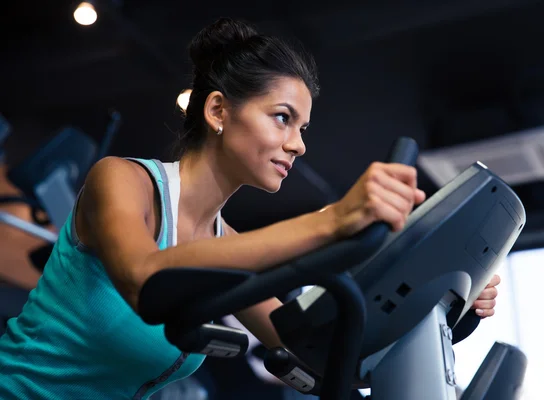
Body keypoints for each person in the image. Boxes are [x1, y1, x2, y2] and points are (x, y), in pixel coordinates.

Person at [0, 17, 500, 399]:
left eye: (302, 128)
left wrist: (449, 307)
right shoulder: (122, 179)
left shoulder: (228, 249)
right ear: (218, 110)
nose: (298, 145)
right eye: (283, 119)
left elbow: (329, 355)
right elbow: (145, 278)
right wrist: (332, 221)